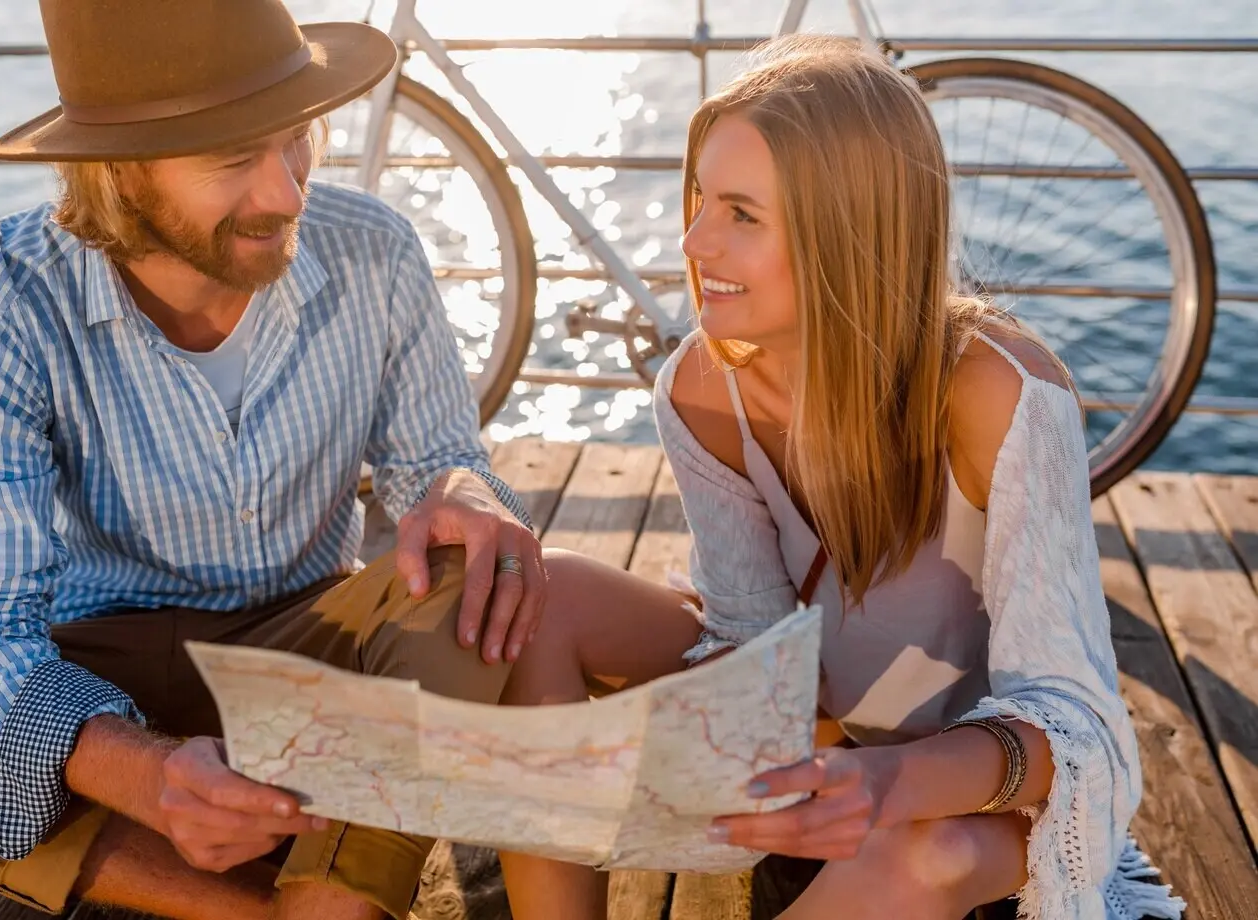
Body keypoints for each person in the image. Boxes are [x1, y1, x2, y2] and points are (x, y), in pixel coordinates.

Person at [0, 2, 547, 919]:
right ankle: (246, 899)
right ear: (117, 171)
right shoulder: (1, 306)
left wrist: (466, 494)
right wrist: (139, 771)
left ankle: (313, 891)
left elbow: (434, 460)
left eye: (297, 139)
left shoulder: (375, 250)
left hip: (307, 645)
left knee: (479, 575)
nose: (287, 193)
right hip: (95, 664)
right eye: (234, 159)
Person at [500, 34, 1184, 920]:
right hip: (837, 738)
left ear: (847, 235)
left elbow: (1078, 725)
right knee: (542, 594)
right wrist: (740, 751)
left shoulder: (998, 394)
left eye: (741, 214)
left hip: (980, 790)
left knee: (926, 852)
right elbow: (753, 639)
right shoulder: (702, 387)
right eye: (701, 198)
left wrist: (890, 779)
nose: (693, 238)